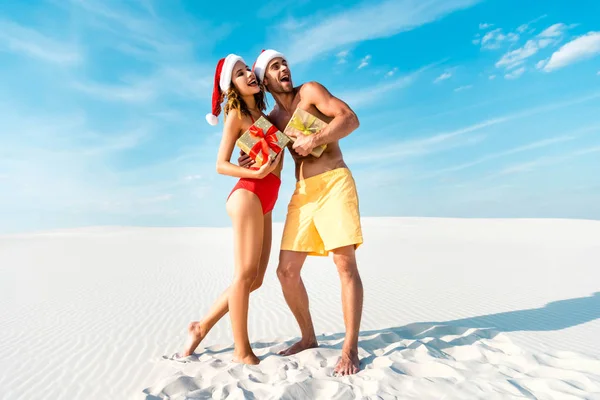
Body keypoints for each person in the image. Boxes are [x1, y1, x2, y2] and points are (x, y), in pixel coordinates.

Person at [241, 49, 364, 376]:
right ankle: (309, 338)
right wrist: (249, 157)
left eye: (285, 64)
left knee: (344, 263)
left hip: (334, 181)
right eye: (275, 67)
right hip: (303, 193)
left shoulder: (310, 91)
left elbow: (350, 118)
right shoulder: (272, 120)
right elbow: (253, 151)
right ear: (265, 79)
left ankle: (349, 348)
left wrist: (315, 139)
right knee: (286, 272)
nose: (284, 69)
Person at [174, 54, 283, 365]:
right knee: (244, 275)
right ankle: (241, 350)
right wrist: (255, 173)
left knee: (256, 279)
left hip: (268, 197)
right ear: (231, 86)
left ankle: (201, 326)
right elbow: (221, 164)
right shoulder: (235, 113)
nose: (248, 74)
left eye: (248, 69)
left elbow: (269, 153)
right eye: (239, 73)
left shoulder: (261, 114)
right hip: (248, 194)